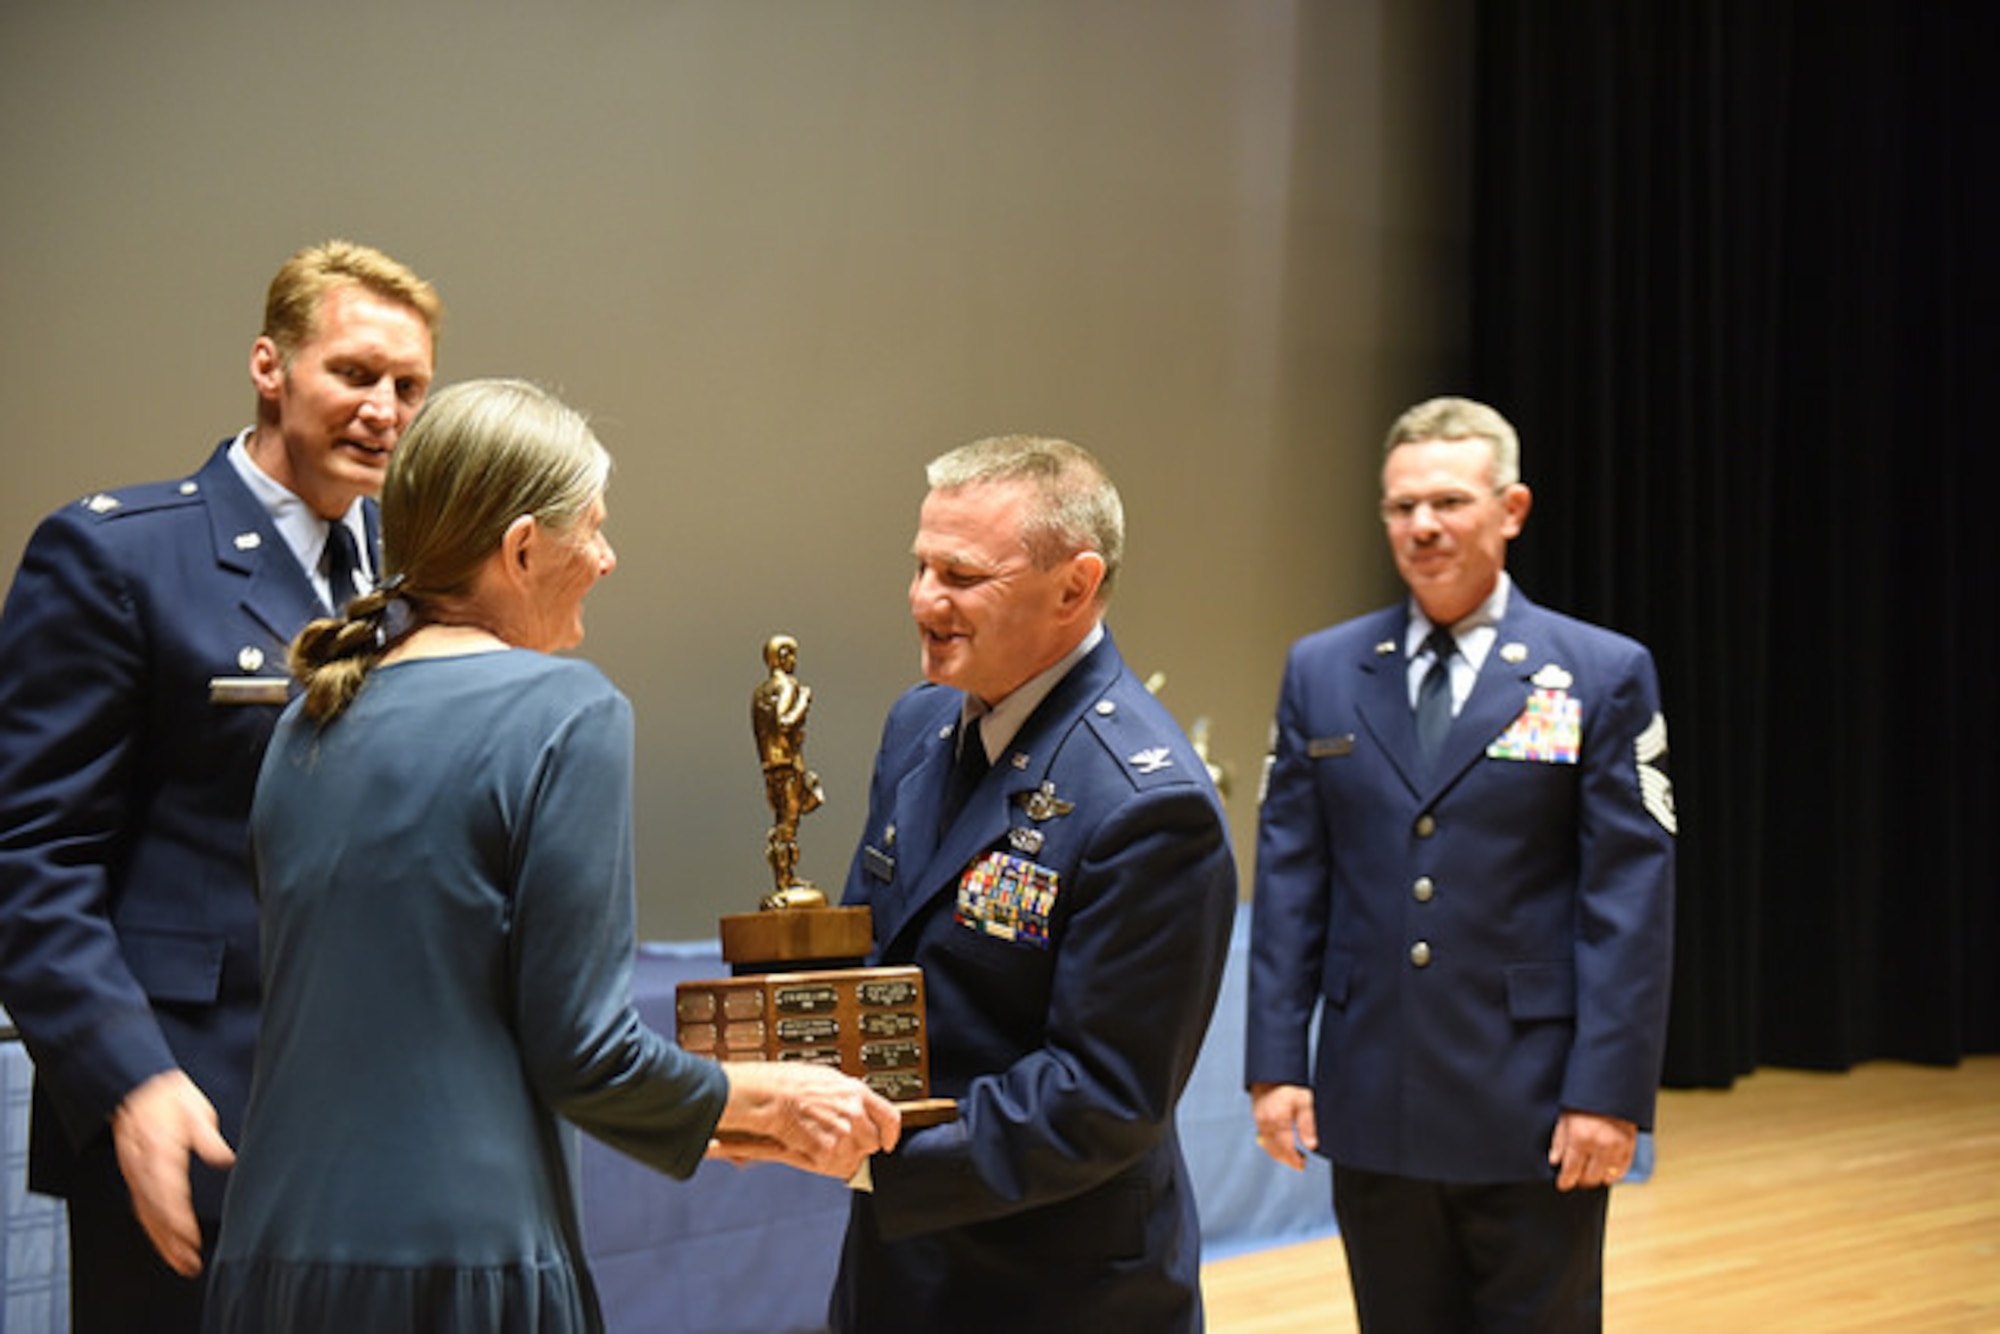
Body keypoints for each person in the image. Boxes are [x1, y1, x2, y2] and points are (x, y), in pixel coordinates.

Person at [201, 378, 900, 1333]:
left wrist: (716, 1113)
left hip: (269, 1257)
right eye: (595, 529)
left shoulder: (307, 718)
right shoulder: (566, 712)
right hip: (465, 1265)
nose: (609, 561)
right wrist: (773, 1098)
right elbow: (586, 1056)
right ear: (522, 547)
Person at [0, 239, 442, 1332]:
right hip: (193, 1096)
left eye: (409, 385)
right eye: (353, 372)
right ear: (270, 365)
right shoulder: (120, 556)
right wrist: (125, 1080)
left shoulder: (417, 573)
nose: (383, 407)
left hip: (384, 1100)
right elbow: (31, 855)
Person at [1245, 396, 1677, 1331]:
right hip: (1373, 1095)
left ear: (1511, 509)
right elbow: (1290, 880)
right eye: (1402, 507)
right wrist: (1276, 1064)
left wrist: (1609, 1095)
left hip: (1533, 1100)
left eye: (1448, 502)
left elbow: (1627, 903)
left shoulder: (1599, 672)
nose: (1423, 526)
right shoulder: (1323, 669)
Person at [830, 434, 1237, 1333]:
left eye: (963, 576)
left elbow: (1102, 1094)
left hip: (1054, 1286)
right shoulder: (921, 721)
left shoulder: (1146, 804)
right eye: (921, 565)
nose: (924, 601)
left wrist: (873, 1153)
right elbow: (872, 944)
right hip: (900, 1264)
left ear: (1074, 587)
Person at [752, 632, 828, 905]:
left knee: (782, 823)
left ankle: (784, 878)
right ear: (782, 657)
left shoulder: (760, 693)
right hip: (788, 762)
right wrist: (804, 700)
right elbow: (785, 721)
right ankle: (786, 879)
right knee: (788, 824)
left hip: (770, 764)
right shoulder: (787, 686)